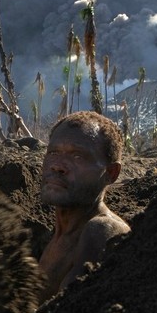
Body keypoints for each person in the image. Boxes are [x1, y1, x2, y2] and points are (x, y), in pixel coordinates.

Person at [38, 110, 130, 301]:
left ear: (111, 173)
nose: (58, 166)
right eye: (53, 152)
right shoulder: (57, 239)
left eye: (77, 156)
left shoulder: (102, 231)